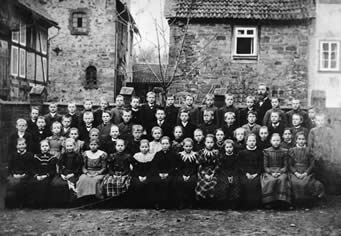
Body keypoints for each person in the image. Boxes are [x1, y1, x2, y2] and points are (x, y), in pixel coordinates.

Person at [289, 132, 325, 205]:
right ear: (296, 140)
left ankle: (306, 202)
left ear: (305, 140)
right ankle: (297, 202)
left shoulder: (309, 150)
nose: (301, 141)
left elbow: (312, 164)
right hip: (295, 172)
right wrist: (296, 173)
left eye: (303, 139)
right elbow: (290, 165)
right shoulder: (292, 150)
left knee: (306, 182)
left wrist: (306, 173)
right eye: (299, 139)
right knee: (295, 182)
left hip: (306, 171)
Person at [308, 113, 336, 194]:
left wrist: (331, 158)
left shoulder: (329, 131)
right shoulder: (312, 131)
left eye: (322, 120)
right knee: (317, 176)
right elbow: (310, 146)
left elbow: (332, 145)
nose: (320, 122)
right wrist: (313, 156)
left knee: (327, 176)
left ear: (325, 121)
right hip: (316, 158)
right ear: (315, 121)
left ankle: (326, 193)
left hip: (327, 158)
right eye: (318, 120)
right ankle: (317, 192)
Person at [50, 138, 83, 207]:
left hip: (74, 173)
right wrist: (61, 174)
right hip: (64, 173)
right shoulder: (63, 155)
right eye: (67, 146)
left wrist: (72, 174)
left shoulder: (77, 156)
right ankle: (60, 202)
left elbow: (79, 167)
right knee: (56, 183)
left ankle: (70, 203)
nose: (69, 148)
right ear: (65, 147)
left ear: (74, 146)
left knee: (70, 184)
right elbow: (60, 165)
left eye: (71, 146)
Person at [261, 133, 291, 209]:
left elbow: (285, 166)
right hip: (270, 171)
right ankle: (270, 202)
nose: (276, 142)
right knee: (270, 180)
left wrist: (280, 172)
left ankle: (282, 202)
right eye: (274, 140)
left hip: (281, 171)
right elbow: (265, 166)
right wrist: (272, 172)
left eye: (278, 140)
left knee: (282, 179)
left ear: (280, 141)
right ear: (271, 141)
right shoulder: (266, 151)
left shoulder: (284, 151)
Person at [5, 138, 34, 208]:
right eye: (19, 145)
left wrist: (24, 174)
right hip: (14, 175)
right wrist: (14, 174)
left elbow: (31, 168)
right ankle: (11, 204)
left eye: (23, 144)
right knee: (11, 183)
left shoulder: (29, 155)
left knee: (22, 184)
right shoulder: (13, 155)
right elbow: (10, 167)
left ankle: (22, 203)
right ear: (17, 146)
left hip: (25, 174)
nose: (21, 146)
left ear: (26, 145)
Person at [28, 140, 57, 208]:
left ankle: (42, 204)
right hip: (38, 175)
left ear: (49, 147)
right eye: (43, 146)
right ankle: (33, 203)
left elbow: (53, 170)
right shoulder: (36, 157)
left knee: (44, 184)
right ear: (40, 148)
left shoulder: (52, 157)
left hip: (47, 175)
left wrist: (45, 175)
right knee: (31, 182)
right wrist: (37, 176)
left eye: (46, 146)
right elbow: (32, 168)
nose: (44, 148)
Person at [151, 136, 176, 209]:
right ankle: (157, 203)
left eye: (166, 143)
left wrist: (168, 173)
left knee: (169, 181)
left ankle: (167, 204)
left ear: (169, 144)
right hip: (159, 174)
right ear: (161, 144)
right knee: (156, 181)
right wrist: (159, 173)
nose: (165, 145)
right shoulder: (158, 154)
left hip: (170, 173)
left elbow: (174, 166)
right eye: (163, 144)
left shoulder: (173, 154)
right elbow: (154, 166)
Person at [238, 134, 263, 209]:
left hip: (256, 173)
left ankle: (255, 205)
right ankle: (245, 205)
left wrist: (256, 174)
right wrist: (246, 173)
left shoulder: (259, 153)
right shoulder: (242, 153)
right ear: (246, 142)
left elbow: (261, 165)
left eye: (253, 141)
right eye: (250, 141)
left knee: (256, 182)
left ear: (256, 142)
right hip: (245, 173)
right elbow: (240, 165)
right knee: (245, 182)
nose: (251, 142)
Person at [215, 139, 240, 209]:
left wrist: (232, 176)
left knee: (236, 183)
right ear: (224, 148)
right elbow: (221, 168)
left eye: (230, 147)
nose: (229, 149)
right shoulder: (222, 157)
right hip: (224, 174)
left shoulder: (236, 157)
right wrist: (228, 176)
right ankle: (223, 203)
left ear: (233, 148)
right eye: (227, 147)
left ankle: (233, 204)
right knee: (223, 184)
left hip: (234, 174)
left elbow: (236, 168)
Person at [195, 134, 219, 207]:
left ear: (214, 143)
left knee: (213, 183)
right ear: (205, 143)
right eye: (208, 142)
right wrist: (204, 174)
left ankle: (211, 202)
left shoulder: (216, 153)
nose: (209, 144)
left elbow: (218, 165)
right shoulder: (201, 152)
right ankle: (202, 202)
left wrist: (213, 173)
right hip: (203, 172)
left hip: (213, 172)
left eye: (211, 142)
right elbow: (199, 165)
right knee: (202, 182)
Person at [130, 139, 155, 208]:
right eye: (142, 147)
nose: (144, 149)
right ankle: (138, 203)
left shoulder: (152, 156)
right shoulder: (136, 156)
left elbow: (152, 169)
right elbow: (134, 169)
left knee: (151, 183)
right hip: (138, 175)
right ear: (139, 147)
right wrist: (139, 176)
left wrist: (147, 176)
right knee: (136, 183)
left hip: (148, 175)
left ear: (149, 147)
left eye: (146, 147)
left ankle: (148, 204)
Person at [174, 138, 198, 209]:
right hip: (181, 173)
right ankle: (181, 202)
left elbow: (195, 167)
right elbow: (178, 167)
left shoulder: (195, 155)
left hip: (192, 173)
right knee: (179, 181)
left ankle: (190, 202)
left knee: (192, 181)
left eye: (190, 146)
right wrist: (183, 175)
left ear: (192, 146)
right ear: (183, 146)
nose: (188, 148)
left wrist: (189, 175)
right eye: (186, 146)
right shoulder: (180, 155)